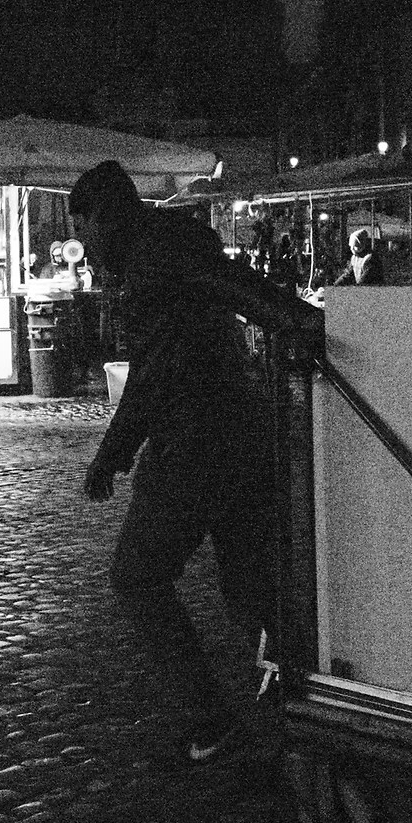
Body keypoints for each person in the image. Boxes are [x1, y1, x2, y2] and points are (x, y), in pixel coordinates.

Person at [69, 159, 323, 767]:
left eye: (87, 231)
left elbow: (153, 374)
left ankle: (214, 713)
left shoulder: (154, 264)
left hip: (193, 447)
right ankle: (299, 689)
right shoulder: (169, 246)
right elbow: (235, 291)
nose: (87, 248)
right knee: (250, 587)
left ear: (108, 219)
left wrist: (111, 456)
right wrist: (291, 318)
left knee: (137, 575)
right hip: (237, 436)